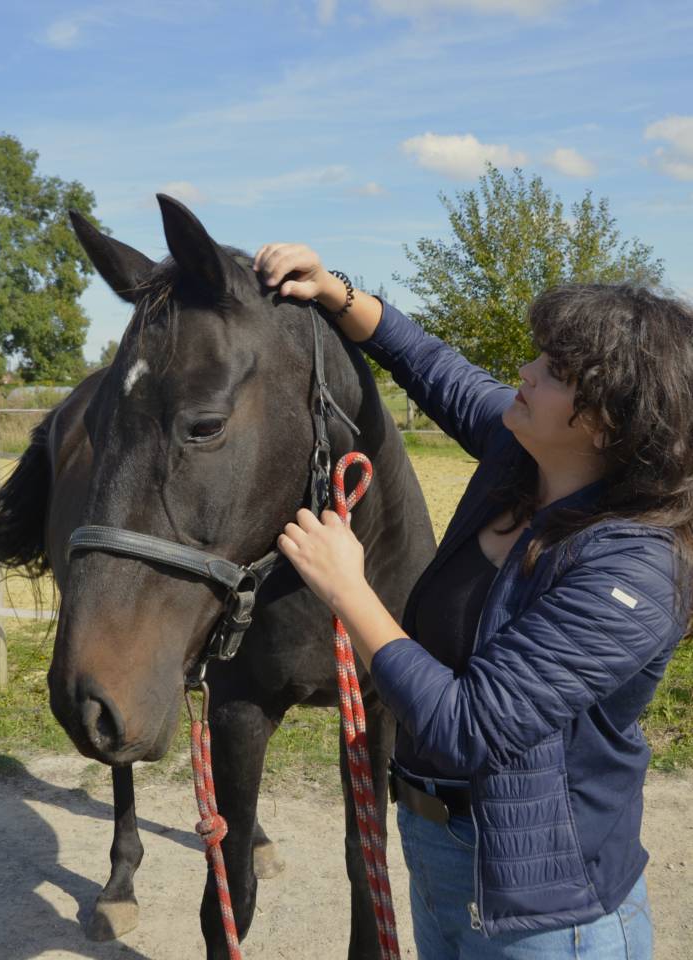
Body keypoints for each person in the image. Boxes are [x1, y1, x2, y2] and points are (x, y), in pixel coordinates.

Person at [252, 242, 693, 959]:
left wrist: (347, 588)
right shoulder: (520, 459)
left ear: (607, 421)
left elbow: (468, 726)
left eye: (552, 372)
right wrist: (334, 292)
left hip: (542, 910)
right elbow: (435, 369)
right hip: (434, 848)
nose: (523, 373)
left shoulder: (634, 570)